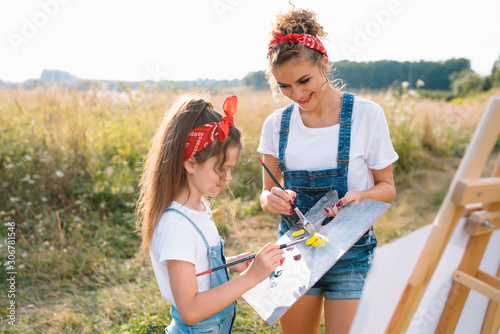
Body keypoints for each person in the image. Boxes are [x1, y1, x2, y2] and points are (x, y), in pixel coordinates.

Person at [258, 8, 399, 334]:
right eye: (284, 87)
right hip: (294, 251)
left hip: (351, 252)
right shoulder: (276, 125)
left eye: (304, 80)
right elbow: (266, 193)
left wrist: (363, 196)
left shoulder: (367, 115)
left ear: (325, 64)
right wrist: (272, 199)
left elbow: (387, 188)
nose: (297, 94)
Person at [137, 93, 285, 333]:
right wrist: (250, 278)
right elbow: (190, 309)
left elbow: (196, 269)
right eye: (221, 169)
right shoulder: (177, 227)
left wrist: (229, 264)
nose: (228, 178)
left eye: (230, 169)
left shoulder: (199, 209)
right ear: (191, 162)